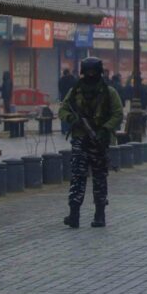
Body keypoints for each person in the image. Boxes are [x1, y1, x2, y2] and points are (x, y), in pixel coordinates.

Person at [59, 57, 124, 229]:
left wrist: (104, 129)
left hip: (99, 140)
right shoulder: (75, 91)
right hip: (80, 138)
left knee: (99, 177)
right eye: (87, 71)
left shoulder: (109, 92)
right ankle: (74, 215)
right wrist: (73, 119)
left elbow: (118, 114)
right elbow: (63, 109)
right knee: (78, 176)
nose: (90, 74)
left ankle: (100, 215)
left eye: (93, 71)